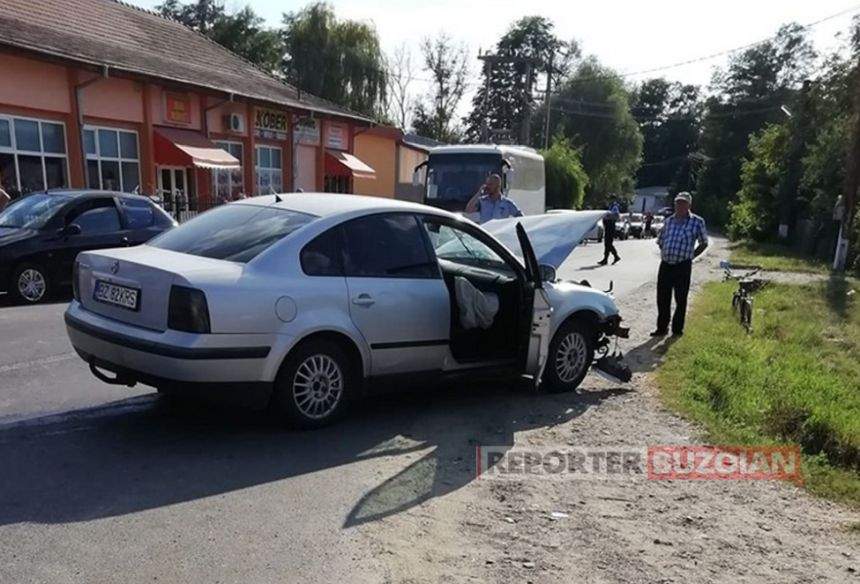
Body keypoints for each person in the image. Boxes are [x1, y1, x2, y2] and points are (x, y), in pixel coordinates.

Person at [651, 192, 709, 337]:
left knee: (680, 298)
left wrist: (691, 256)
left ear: (689, 205)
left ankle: (677, 330)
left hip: (683, 265)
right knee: (662, 298)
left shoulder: (697, 221)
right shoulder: (669, 221)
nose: (679, 205)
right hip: (666, 264)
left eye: (683, 203)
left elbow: (704, 242)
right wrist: (665, 250)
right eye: (678, 203)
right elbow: (661, 239)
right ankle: (661, 328)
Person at [597, 196, 621, 265]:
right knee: (606, 243)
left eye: (610, 199)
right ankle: (605, 259)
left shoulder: (614, 207)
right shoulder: (610, 207)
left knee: (608, 243)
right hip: (608, 226)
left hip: (611, 226)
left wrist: (608, 216)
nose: (608, 200)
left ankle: (616, 256)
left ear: (613, 199)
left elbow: (616, 216)